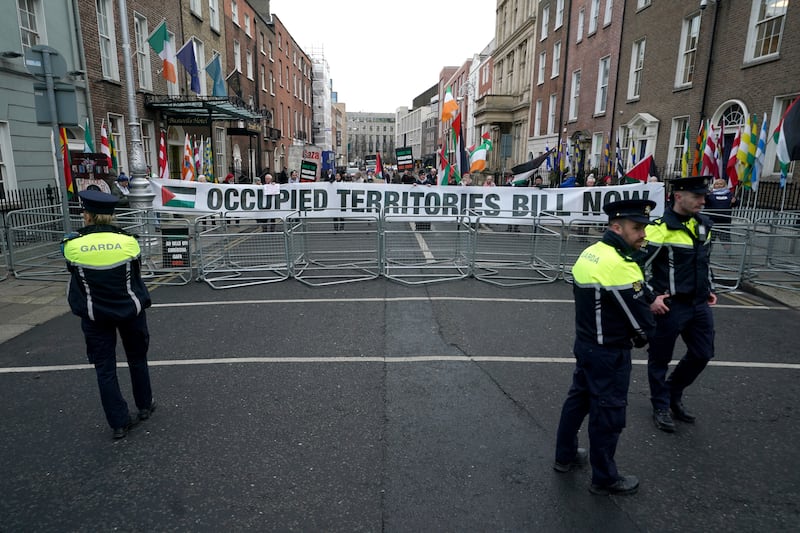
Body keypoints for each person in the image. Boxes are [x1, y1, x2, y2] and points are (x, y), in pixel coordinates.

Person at [555, 199, 657, 496]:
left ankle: (565, 456)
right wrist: (649, 332)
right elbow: (641, 324)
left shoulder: (591, 253)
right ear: (616, 227)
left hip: (586, 344)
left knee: (577, 401)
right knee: (608, 414)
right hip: (610, 351)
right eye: (637, 228)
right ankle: (605, 478)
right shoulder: (620, 266)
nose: (643, 235)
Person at [62, 190, 155, 440]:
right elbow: (136, 272)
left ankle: (119, 423)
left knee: (105, 368)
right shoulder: (129, 242)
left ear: (89, 216)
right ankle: (145, 406)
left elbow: (73, 273)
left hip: (95, 316)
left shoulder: (72, 246)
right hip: (130, 311)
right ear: (111, 215)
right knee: (137, 359)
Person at [637, 175, 715, 433]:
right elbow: (636, 267)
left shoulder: (703, 224)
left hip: (698, 303)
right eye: (697, 196)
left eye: (704, 196)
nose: (703, 201)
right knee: (660, 358)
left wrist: (709, 287)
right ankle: (661, 405)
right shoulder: (659, 229)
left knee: (703, 353)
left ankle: (672, 393)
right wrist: (651, 297)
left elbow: (704, 260)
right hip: (670, 305)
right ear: (678, 196)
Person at [705, 178, 736, 246]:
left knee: (725, 239)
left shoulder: (729, 194)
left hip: (724, 221)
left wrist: (734, 201)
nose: (719, 185)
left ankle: (729, 254)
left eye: (721, 184)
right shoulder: (709, 194)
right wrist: (706, 196)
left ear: (724, 185)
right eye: (717, 184)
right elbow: (704, 202)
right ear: (714, 185)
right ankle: (707, 253)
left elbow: (735, 204)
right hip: (711, 221)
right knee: (710, 240)